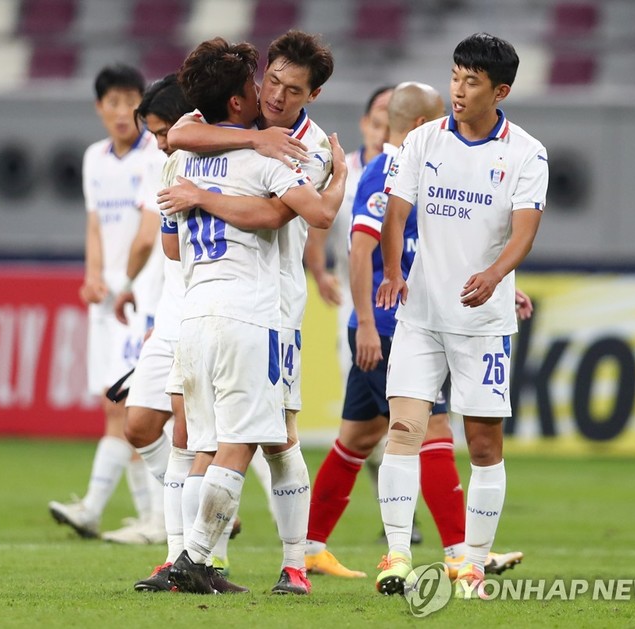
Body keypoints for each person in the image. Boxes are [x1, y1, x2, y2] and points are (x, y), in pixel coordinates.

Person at [304, 82, 525, 580]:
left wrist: (504, 286)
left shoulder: (425, 166)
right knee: (431, 431)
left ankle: (310, 546)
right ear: (424, 124)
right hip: (394, 325)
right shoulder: (390, 169)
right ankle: (459, 553)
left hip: (400, 320)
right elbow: (361, 250)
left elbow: (446, 248)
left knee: (358, 438)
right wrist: (365, 323)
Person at [155, 37, 346, 596]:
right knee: (222, 441)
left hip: (272, 305)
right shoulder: (249, 140)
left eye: (293, 90)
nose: (277, 96)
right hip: (246, 308)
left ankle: (290, 564)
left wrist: (201, 194)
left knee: (276, 438)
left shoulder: (307, 146)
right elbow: (183, 135)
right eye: (272, 82)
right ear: (254, 84)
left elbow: (183, 144)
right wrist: (264, 143)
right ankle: (198, 560)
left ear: (313, 95)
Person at [373, 33, 548, 598]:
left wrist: (495, 276)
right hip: (421, 314)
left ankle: (471, 565)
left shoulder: (526, 153)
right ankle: (397, 556)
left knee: (483, 446)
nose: (458, 90)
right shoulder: (423, 139)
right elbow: (396, 213)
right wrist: (394, 271)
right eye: (455, 76)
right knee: (404, 429)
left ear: (500, 91)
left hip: (482, 322)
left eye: (472, 81)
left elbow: (524, 233)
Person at [48, 64, 166, 540]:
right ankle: (148, 516)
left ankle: (103, 510)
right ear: (99, 107)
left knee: (133, 403)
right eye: (112, 102)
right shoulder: (94, 159)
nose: (122, 112)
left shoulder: (155, 154)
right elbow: (95, 224)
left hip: (139, 294)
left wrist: (125, 281)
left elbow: (148, 233)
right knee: (114, 403)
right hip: (108, 298)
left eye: (130, 102)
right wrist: (92, 276)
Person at [98, 75, 194, 546]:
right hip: (170, 312)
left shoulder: (224, 166)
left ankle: (196, 541)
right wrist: (160, 316)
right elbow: (170, 254)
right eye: (153, 134)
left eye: (162, 132)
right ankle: (192, 513)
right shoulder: (166, 168)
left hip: (213, 314)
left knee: (221, 437)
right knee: (138, 424)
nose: (158, 143)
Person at [304, 85, 393, 382]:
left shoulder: (414, 173)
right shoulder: (342, 173)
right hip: (355, 298)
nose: (382, 135)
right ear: (364, 123)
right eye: (377, 125)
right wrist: (320, 273)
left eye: (390, 126)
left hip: (405, 299)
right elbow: (317, 231)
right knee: (357, 386)